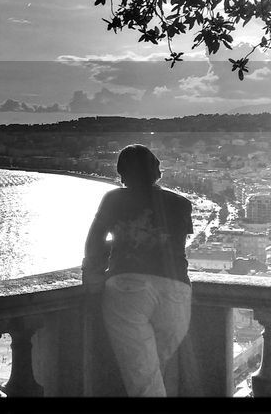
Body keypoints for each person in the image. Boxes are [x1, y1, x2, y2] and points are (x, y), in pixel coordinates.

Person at [82, 144, 194, 397]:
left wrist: (93, 274)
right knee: (153, 372)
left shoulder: (114, 199)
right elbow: (175, 244)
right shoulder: (182, 204)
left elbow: (95, 239)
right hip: (176, 291)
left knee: (144, 380)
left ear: (123, 174)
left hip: (128, 287)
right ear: (157, 172)